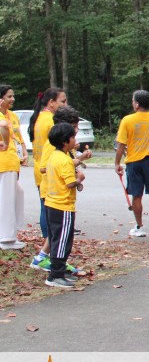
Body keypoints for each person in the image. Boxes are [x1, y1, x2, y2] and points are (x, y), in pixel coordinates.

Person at [30, 106, 90, 275]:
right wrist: (72, 168)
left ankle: (49, 260)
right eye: (74, 127)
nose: (76, 130)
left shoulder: (65, 147)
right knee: (58, 232)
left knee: (58, 233)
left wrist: (78, 159)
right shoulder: (53, 146)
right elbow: (44, 167)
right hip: (53, 193)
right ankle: (53, 264)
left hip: (59, 193)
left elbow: (66, 163)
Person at [115, 90, 149, 238]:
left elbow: (121, 145)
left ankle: (139, 227)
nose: (132, 103)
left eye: (133, 101)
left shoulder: (127, 120)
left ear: (137, 104)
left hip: (133, 162)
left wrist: (117, 163)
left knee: (136, 195)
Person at [42, 122, 85, 289]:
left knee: (56, 239)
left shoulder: (54, 156)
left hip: (51, 204)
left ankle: (59, 271)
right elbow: (70, 183)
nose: (75, 140)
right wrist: (79, 179)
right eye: (72, 137)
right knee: (63, 241)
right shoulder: (65, 161)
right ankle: (56, 275)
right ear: (64, 141)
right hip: (63, 206)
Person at [28, 88, 66, 264]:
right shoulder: (50, 120)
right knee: (49, 211)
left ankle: (49, 248)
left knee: (45, 208)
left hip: (40, 168)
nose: (65, 104)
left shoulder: (39, 117)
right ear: (51, 102)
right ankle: (48, 248)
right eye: (62, 101)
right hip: (48, 170)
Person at [0, 85, 28, 250]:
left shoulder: (13, 115)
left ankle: (12, 233)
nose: (13, 99)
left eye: (13, 96)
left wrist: (24, 152)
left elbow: (18, 136)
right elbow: (3, 127)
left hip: (13, 160)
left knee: (17, 194)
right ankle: (6, 237)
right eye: (9, 96)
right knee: (6, 199)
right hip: (4, 162)